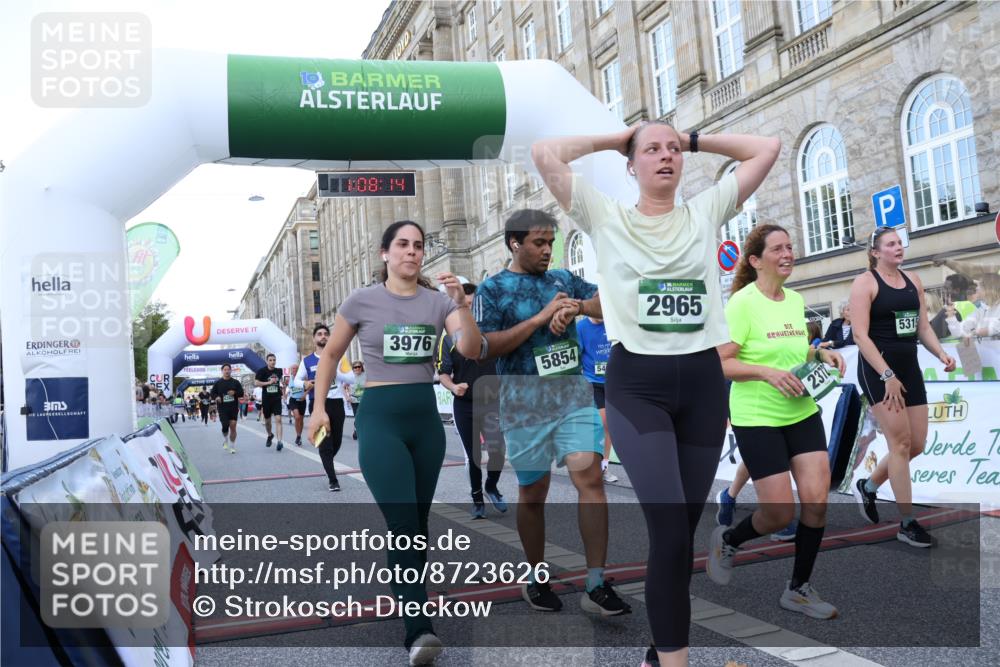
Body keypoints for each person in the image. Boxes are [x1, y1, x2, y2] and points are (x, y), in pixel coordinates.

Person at [533, 121, 779, 667]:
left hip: (701, 385)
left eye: (673, 150)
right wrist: (616, 137)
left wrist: (693, 140)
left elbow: (767, 148)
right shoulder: (605, 215)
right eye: (652, 150)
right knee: (668, 527)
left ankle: (659, 650)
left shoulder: (704, 211)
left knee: (679, 537)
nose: (665, 156)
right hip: (637, 386)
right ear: (632, 164)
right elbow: (546, 150)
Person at [307, 220, 483, 666]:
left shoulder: (439, 301)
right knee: (404, 523)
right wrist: (318, 408)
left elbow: (473, 350)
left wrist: (463, 306)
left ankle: (407, 593)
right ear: (385, 253)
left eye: (418, 246)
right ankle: (418, 629)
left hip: (425, 425)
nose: (412, 252)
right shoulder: (362, 299)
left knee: (418, 525)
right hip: (381, 421)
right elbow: (330, 355)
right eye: (402, 245)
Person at [473, 209, 629, 617]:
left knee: (590, 478)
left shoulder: (561, 279)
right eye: (539, 243)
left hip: (572, 395)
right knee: (533, 494)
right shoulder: (493, 289)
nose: (547, 250)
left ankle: (595, 583)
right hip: (523, 402)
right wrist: (541, 318)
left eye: (550, 243)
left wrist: (576, 306)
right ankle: (536, 576)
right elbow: (487, 347)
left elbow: (607, 302)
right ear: (515, 244)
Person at [708, 224, 846, 619]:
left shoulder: (794, 299)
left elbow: (795, 348)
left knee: (817, 503)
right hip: (758, 417)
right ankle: (731, 539)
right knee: (780, 514)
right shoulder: (742, 304)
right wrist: (767, 373)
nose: (788, 254)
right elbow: (722, 361)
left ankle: (798, 588)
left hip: (801, 410)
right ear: (756, 260)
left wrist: (820, 355)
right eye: (778, 249)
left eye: (790, 246)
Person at [850, 226, 956, 547]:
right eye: (891, 244)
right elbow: (859, 336)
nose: (898, 248)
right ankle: (907, 523)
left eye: (900, 243)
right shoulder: (865, 283)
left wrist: (941, 353)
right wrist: (886, 375)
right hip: (878, 371)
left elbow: (923, 326)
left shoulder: (914, 281)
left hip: (909, 369)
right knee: (900, 443)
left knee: (917, 444)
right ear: (875, 252)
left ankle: (869, 487)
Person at [438, 282, 507, 519]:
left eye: (472, 304)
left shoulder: (493, 330)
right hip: (464, 404)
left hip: (491, 401)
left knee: (498, 452)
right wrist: (453, 386)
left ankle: (491, 486)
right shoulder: (448, 339)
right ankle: (477, 498)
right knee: (474, 455)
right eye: (463, 305)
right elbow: (443, 374)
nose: (469, 309)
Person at [293, 324, 356, 491]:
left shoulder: (340, 357)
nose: (323, 336)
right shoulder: (307, 361)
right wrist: (305, 383)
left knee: (336, 442)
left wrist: (336, 372)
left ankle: (327, 462)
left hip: (336, 404)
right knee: (325, 444)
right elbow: (296, 382)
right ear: (314, 339)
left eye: (326, 334)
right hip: (318, 403)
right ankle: (333, 479)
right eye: (319, 334)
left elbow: (351, 378)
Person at [576, 316, 618, 483]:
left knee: (609, 427)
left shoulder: (613, 322)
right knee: (602, 423)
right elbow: (577, 354)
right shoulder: (581, 327)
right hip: (592, 381)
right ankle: (591, 465)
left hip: (615, 381)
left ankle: (604, 467)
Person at [211, 364, 245, 453]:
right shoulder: (218, 383)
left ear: (231, 371)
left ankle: (232, 446)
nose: (227, 371)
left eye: (228, 369)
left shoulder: (235, 382)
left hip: (233, 408)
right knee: (225, 426)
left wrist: (234, 393)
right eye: (225, 370)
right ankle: (226, 440)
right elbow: (212, 393)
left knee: (233, 427)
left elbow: (241, 393)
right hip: (222, 408)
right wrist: (217, 397)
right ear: (222, 371)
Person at [255, 353, 286, 451]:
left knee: (278, 419)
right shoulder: (262, 371)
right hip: (266, 399)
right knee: (268, 421)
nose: (273, 362)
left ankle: (280, 441)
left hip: (276, 398)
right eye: (270, 360)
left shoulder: (279, 371)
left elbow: (281, 382)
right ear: (267, 361)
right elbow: (256, 383)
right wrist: (269, 382)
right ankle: (270, 435)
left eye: (274, 360)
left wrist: (283, 388)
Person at [286, 362, 306, 446]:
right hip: (293, 400)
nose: (294, 370)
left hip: (302, 401)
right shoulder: (289, 379)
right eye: (293, 369)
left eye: (296, 369)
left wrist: (305, 394)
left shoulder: (303, 378)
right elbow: (287, 388)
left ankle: (299, 436)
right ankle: (298, 435)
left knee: (301, 420)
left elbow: (309, 386)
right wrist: (284, 395)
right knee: (297, 417)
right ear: (291, 370)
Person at [345, 361, 366, 440]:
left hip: (364, 399)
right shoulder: (350, 376)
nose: (357, 368)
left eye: (359, 367)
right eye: (355, 367)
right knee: (357, 416)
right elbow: (343, 387)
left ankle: (361, 431)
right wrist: (347, 397)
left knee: (364, 416)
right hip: (354, 399)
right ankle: (356, 430)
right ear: (353, 369)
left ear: (361, 367)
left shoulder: (366, 375)